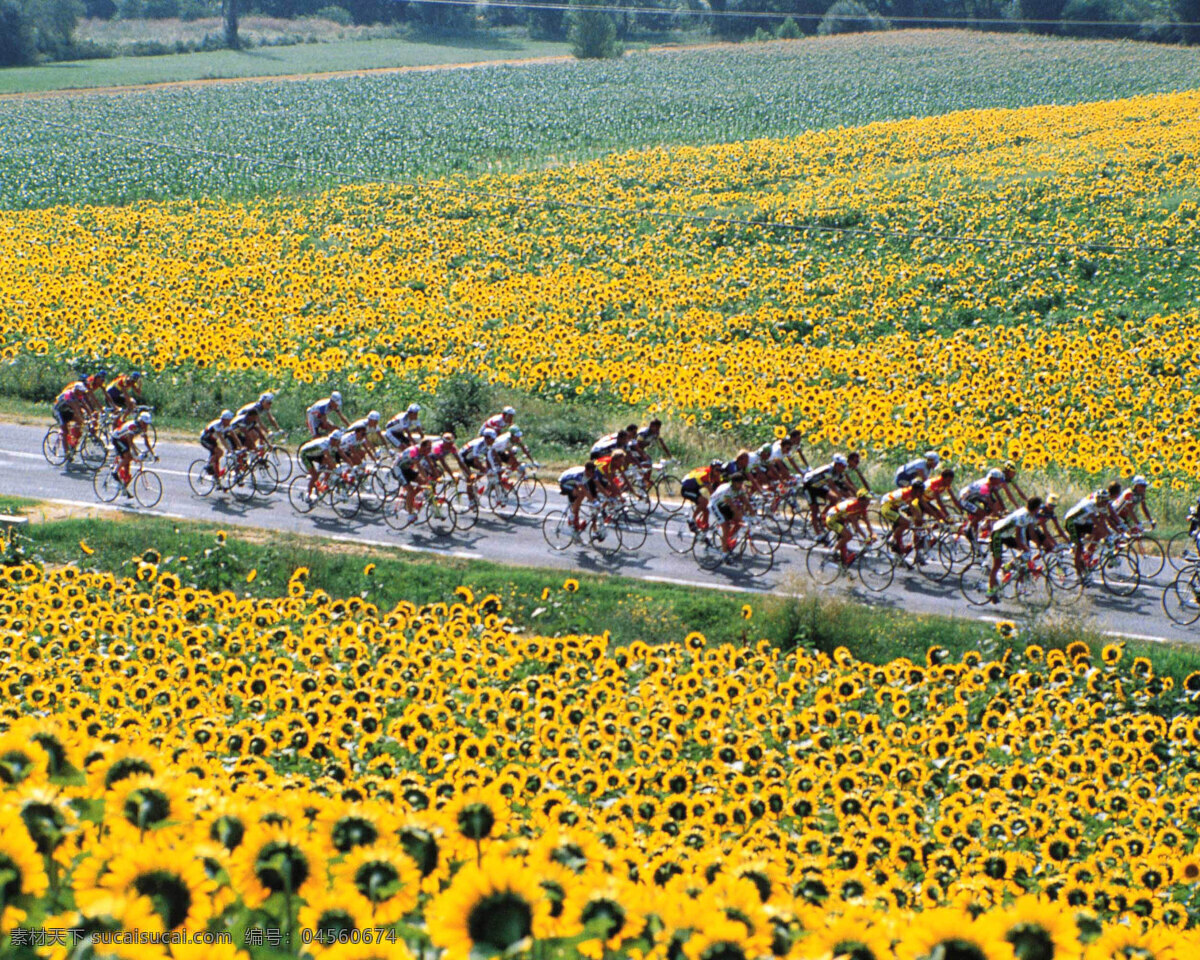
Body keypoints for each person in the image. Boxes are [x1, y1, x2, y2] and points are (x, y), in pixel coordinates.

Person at [987, 497, 1044, 602]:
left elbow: (1032, 533)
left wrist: (1039, 546)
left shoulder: (1030, 515)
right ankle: (990, 590)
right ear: (1035, 508)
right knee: (997, 563)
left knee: (1025, 554)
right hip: (998, 535)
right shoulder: (1022, 516)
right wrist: (1023, 547)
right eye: (1039, 508)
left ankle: (1008, 566)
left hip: (1007, 535)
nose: (1039, 510)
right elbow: (1018, 536)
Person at [1063, 487, 1118, 576]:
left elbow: (1103, 523)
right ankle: (1078, 573)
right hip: (1071, 522)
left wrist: (1111, 534)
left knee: (1100, 532)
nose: (1106, 503)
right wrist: (1108, 536)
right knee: (1079, 547)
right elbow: (1097, 523)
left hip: (1082, 522)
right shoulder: (1089, 505)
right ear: (1099, 500)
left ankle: (1087, 552)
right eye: (1104, 501)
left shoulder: (1103, 506)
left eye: (1107, 500)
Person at [802, 454, 854, 536]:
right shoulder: (828, 470)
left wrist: (858, 495)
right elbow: (831, 485)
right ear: (836, 465)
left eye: (845, 466)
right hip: (809, 486)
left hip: (819, 486)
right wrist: (841, 497)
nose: (844, 468)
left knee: (834, 499)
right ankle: (818, 534)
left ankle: (823, 516)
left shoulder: (839, 472)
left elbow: (847, 484)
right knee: (814, 510)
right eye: (842, 466)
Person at [559, 461, 616, 531]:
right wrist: (594, 501)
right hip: (565, 482)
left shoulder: (592, 474)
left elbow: (599, 486)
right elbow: (584, 490)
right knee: (580, 493)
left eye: (593, 472)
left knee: (581, 496)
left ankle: (574, 517)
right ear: (586, 470)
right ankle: (572, 516)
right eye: (591, 472)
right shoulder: (579, 475)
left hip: (574, 483)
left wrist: (608, 496)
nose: (592, 474)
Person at [880, 478, 929, 559]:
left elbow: (918, 507)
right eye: (921, 491)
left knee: (905, 523)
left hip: (894, 507)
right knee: (906, 523)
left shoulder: (914, 494)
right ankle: (891, 539)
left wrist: (919, 517)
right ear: (915, 490)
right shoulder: (908, 493)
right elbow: (912, 508)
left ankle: (898, 548)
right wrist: (917, 517)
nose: (922, 494)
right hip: (886, 506)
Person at [109, 412, 155, 497]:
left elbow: (146, 442)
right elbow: (130, 441)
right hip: (117, 438)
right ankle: (114, 471)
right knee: (128, 457)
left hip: (124, 440)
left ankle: (124, 489)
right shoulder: (133, 426)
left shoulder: (143, 427)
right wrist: (135, 453)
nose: (146, 426)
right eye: (145, 423)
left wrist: (153, 454)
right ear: (140, 421)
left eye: (147, 424)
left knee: (128, 468)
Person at [826, 489, 874, 566]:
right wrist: (865, 537)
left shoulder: (863, 506)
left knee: (845, 537)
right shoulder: (853, 506)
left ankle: (843, 561)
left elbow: (867, 521)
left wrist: (872, 533)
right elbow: (856, 525)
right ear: (861, 500)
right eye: (867, 500)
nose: (868, 503)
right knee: (848, 536)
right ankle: (833, 550)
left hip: (841, 518)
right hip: (832, 519)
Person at [959, 468, 1008, 541]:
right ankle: (967, 528)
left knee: (991, 509)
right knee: (982, 514)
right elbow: (989, 502)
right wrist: (997, 514)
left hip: (974, 498)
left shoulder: (992, 484)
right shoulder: (984, 486)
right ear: (993, 479)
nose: (1000, 482)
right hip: (964, 499)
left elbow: (998, 498)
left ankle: (975, 532)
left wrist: (1005, 509)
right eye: (999, 480)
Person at [707, 473, 748, 559]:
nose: (741, 485)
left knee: (739, 522)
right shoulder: (727, 489)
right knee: (726, 528)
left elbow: (745, 500)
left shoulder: (739, 488)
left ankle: (727, 540)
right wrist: (742, 516)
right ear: (733, 483)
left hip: (724, 504)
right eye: (739, 483)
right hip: (714, 506)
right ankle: (724, 553)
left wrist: (753, 514)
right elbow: (732, 506)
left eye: (742, 483)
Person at [395, 438, 434, 519]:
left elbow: (430, 463)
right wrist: (427, 479)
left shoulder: (423, 452)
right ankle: (410, 514)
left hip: (407, 469)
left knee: (422, 482)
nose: (430, 450)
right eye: (429, 448)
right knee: (410, 490)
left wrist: (434, 474)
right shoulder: (414, 451)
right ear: (423, 446)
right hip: (398, 469)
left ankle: (410, 498)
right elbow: (419, 467)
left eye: (431, 448)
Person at [681, 460, 724, 529]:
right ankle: (692, 519)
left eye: (720, 470)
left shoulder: (716, 474)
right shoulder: (706, 475)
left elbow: (722, 486)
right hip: (687, 488)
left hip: (697, 488)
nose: (719, 472)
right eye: (717, 469)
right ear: (712, 469)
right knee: (705, 501)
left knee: (707, 507)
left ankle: (704, 528)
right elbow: (711, 492)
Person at [298, 430, 342, 499]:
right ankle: (308, 495)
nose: (339, 443)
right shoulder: (325, 444)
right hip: (305, 454)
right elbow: (327, 456)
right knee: (315, 475)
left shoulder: (333, 445)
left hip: (316, 454)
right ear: (333, 440)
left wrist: (335, 466)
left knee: (330, 465)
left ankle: (322, 482)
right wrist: (336, 469)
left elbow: (332, 459)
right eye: (338, 441)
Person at [52, 381, 90, 450]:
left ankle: (72, 438)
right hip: (58, 410)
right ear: (77, 390)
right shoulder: (68, 394)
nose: (82, 393)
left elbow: (85, 405)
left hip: (66, 410)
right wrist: (82, 420)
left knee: (80, 422)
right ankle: (67, 453)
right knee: (65, 432)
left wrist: (91, 416)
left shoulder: (79, 395)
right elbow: (75, 409)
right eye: (81, 391)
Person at [200, 410, 235, 477]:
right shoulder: (217, 425)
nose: (230, 421)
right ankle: (209, 466)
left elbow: (234, 436)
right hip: (205, 439)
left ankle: (215, 470)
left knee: (218, 455)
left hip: (212, 440)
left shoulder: (227, 425)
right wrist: (229, 449)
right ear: (224, 420)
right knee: (219, 452)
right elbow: (222, 439)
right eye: (229, 420)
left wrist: (240, 446)